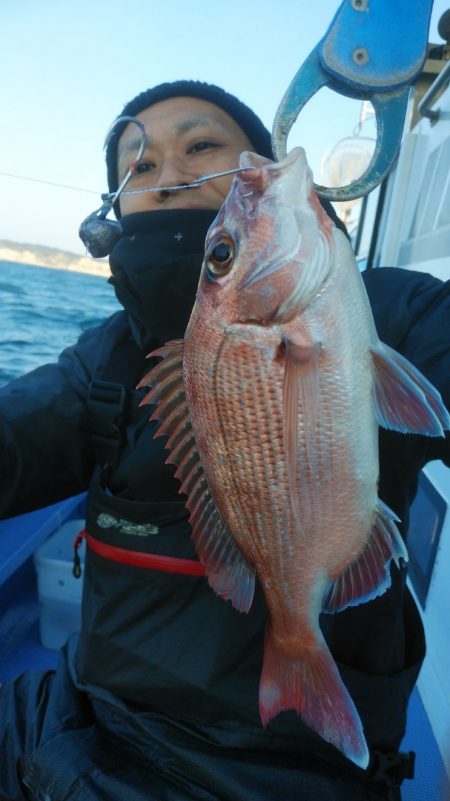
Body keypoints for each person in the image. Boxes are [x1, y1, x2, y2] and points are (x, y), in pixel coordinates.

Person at [0, 80, 449, 801]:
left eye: (202, 146)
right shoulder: (106, 361)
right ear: (117, 208)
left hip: (277, 775)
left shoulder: (393, 310)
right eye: (138, 168)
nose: (170, 174)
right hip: (85, 716)